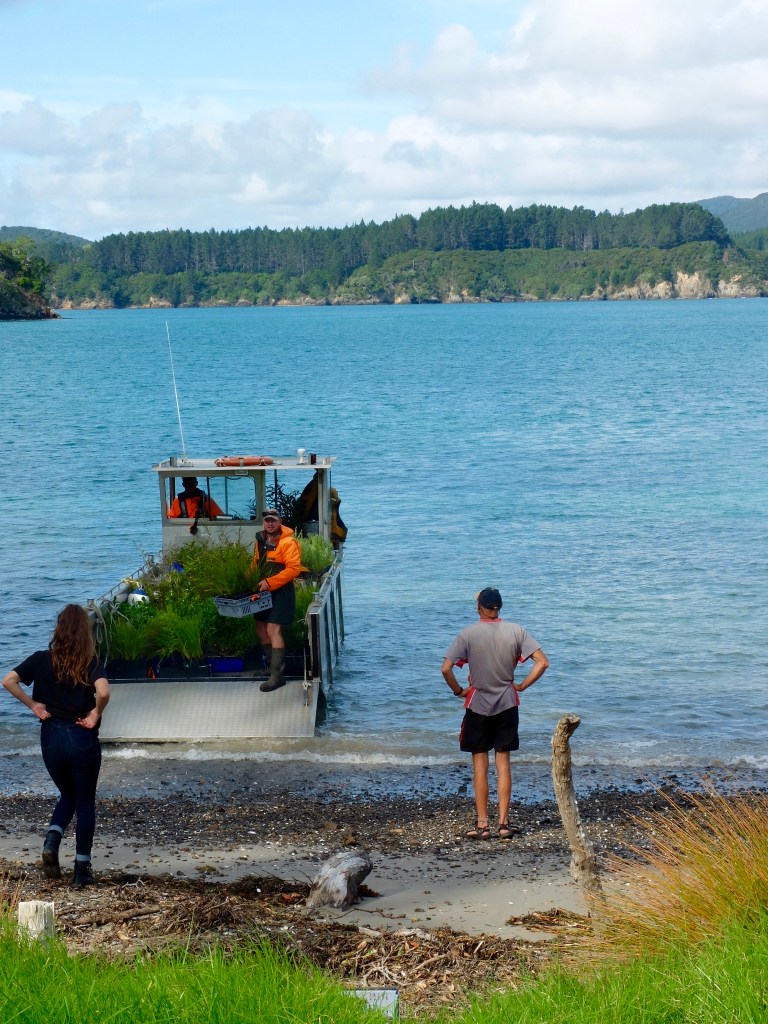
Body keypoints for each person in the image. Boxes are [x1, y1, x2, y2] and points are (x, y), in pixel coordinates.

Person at [2, 604, 110, 885]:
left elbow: (9, 681)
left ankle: (53, 837)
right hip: (80, 736)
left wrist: (33, 705)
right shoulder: (90, 662)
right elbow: (103, 691)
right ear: (85, 633)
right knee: (84, 802)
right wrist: (96, 713)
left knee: (68, 794)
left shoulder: (41, 659)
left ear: (58, 630)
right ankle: (81, 871)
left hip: (50, 738)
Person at [441, 588, 549, 841]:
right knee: (503, 763)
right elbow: (543, 662)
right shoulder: (516, 631)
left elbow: (446, 668)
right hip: (507, 703)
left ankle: (482, 825)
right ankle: (503, 824)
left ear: (479, 607)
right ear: (499, 607)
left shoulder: (467, 633)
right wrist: (521, 685)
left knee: (480, 764)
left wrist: (459, 691)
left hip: (477, 703)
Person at [251, 508, 302, 692]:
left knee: (273, 629)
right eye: (267, 520)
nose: (270, 523)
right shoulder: (261, 540)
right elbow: (255, 564)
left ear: (280, 521)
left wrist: (270, 583)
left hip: (281, 593)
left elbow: (294, 569)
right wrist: (247, 581)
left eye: (273, 520)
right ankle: (271, 668)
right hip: (263, 592)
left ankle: (278, 677)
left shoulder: (288, 542)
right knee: (260, 628)